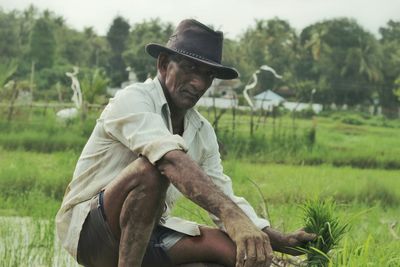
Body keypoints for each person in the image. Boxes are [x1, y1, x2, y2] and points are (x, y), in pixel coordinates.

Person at [56, 19, 314, 267]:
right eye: (190, 68)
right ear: (164, 64)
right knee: (151, 170)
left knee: (241, 253)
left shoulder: (202, 130)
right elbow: (169, 159)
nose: (199, 83)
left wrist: (278, 239)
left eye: (208, 75)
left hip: (147, 234)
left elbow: (219, 188)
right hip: (90, 233)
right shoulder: (133, 100)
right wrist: (232, 217)